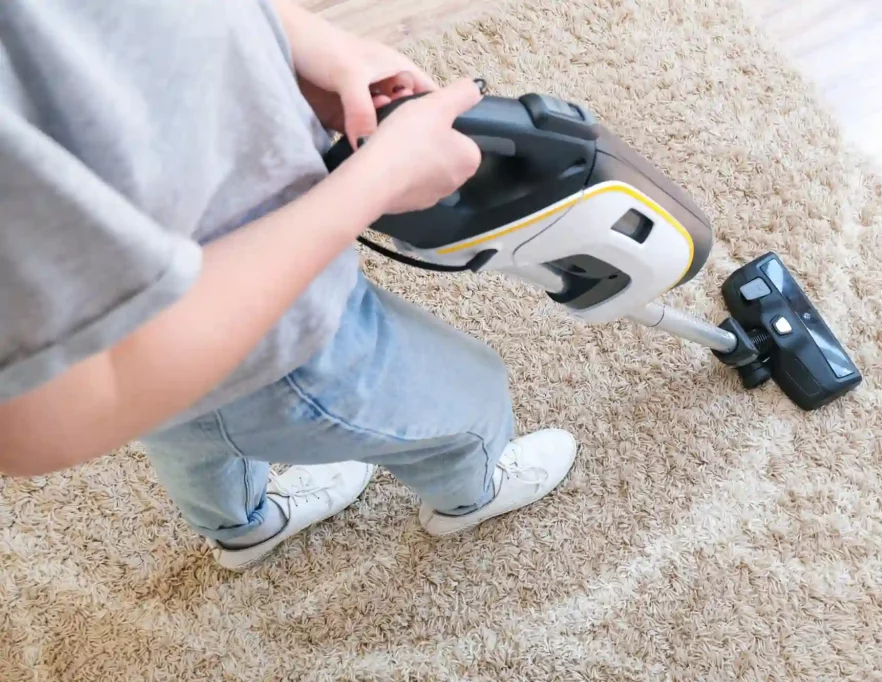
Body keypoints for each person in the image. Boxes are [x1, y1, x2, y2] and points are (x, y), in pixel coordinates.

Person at [0, 0, 577, 571]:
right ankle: (470, 494)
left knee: (189, 434)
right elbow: (47, 415)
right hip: (268, 342)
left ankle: (242, 528)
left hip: (179, 367)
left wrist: (301, 39)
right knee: (471, 395)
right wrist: (377, 179)